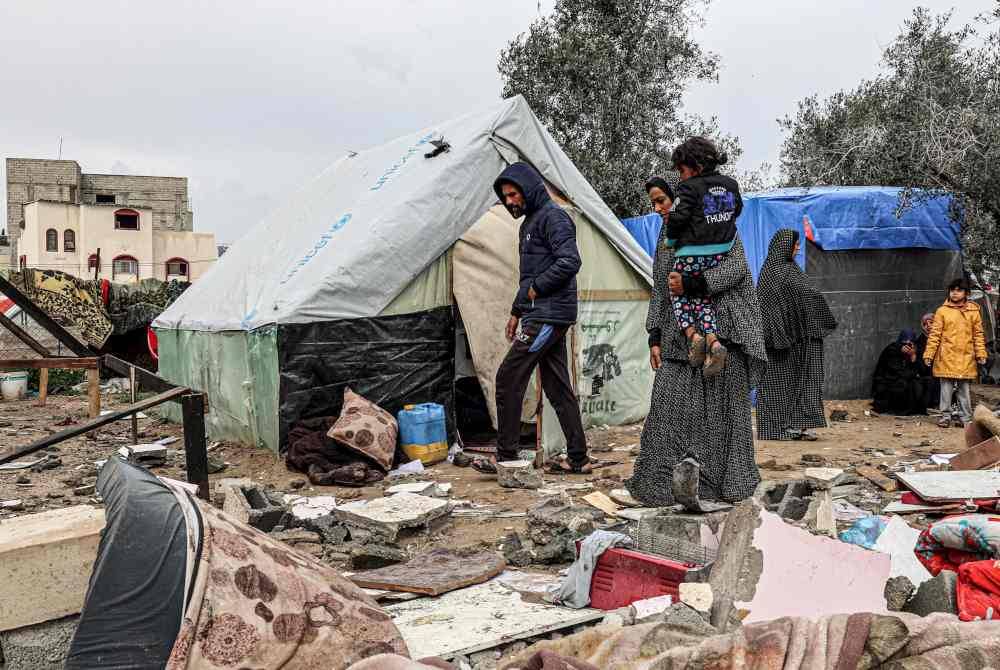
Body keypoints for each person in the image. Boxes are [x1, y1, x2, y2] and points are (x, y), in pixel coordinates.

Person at [625, 177, 766, 506]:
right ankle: (661, 486)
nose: (658, 208)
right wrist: (654, 335)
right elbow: (661, 286)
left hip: (723, 332)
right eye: (654, 203)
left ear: (681, 201)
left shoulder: (722, 229)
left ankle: (726, 484)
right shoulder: (666, 236)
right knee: (667, 413)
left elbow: (738, 271)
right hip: (679, 340)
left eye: (663, 201)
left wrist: (693, 283)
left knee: (723, 414)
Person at [476, 161, 591, 474]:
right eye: (506, 197)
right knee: (557, 387)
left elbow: (570, 261)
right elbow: (528, 276)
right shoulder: (530, 223)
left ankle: (508, 457)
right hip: (539, 313)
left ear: (529, 189)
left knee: (508, 377)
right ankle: (578, 458)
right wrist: (517, 310)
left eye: (514, 194)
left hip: (549, 316)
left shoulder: (554, 217)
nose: (511, 201)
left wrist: (535, 292)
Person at [663, 138, 743, 377]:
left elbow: (677, 218)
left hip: (692, 253)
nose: (680, 176)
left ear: (694, 165)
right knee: (702, 297)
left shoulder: (689, 188)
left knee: (677, 289)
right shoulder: (730, 184)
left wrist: (671, 239)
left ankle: (693, 335)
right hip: (719, 252)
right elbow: (736, 209)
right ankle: (713, 340)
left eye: (681, 170)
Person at [755, 229, 838, 441]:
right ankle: (776, 429)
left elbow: (806, 295)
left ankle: (799, 426)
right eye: (795, 244)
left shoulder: (784, 270)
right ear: (785, 246)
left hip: (798, 339)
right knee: (777, 385)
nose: (798, 248)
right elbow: (805, 295)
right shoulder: (777, 272)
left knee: (804, 380)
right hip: (778, 341)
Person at [923, 277, 988, 428]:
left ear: (966, 293)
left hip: (966, 357)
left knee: (963, 389)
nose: (955, 293)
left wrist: (981, 354)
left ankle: (965, 418)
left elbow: (978, 334)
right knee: (945, 389)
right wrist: (929, 354)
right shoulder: (942, 311)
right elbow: (935, 335)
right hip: (946, 356)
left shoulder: (974, 311)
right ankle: (945, 416)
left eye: (959, 290)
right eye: (953, 290)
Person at [871, 329, 929, 415]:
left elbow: (923, 370)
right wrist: (901, 352)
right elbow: (899, 373)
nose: (907, 346)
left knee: (925, 382)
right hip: (888, 382)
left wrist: (913, 358)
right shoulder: (892, 350)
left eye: (910, 344)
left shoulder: (915, 351)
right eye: (904, 343)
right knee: (905, 384)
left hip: (905, 379)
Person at [914, 312, 941, 409]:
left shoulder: (943, 338)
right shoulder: (920, 341)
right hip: (927, 371)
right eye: (925, 324)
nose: (928, 326)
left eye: (931, 323)